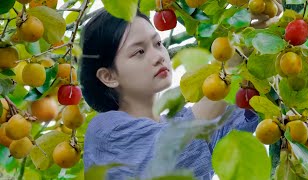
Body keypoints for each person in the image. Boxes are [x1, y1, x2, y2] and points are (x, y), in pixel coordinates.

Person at [79, 8, 259, 180]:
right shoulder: (105, 133)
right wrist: (231, 65)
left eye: (158, 44)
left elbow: (244, 105)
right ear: (108, 76)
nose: (158, 56)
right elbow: (173, 152)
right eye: (139, 52)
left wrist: (260, 32)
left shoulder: (177, 121)